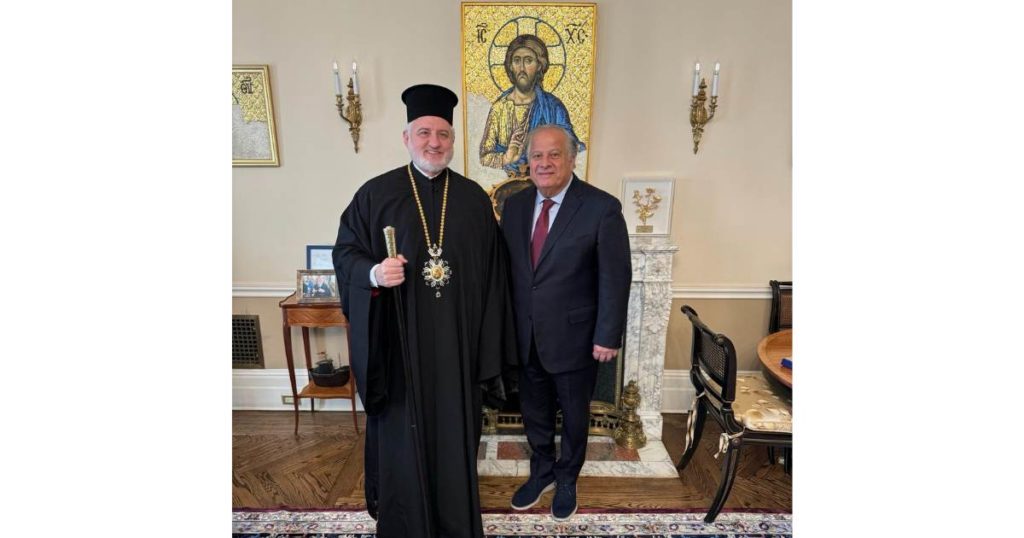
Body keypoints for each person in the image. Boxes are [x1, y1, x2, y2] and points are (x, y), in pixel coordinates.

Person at [333, 84, 516, 538]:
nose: (435, 143)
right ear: (407, 137)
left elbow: (496, 281)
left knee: (455, 442)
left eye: (444, 135)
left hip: (457, 353)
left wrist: (486, 355)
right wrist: (375, 273)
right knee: (401, 440)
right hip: (400, 352)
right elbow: (345, 253)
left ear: (454, 140)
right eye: (425, 133)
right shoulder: (376, 195)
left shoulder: (475, 201)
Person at [500, 124, 631, 521]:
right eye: (537, 155)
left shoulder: (601, 208)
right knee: (534, 411)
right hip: (526, 336)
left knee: (574, 415)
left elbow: (615, 276)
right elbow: (511, 272)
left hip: (577, 338)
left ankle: (568, 477)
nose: (544, 163)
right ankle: (541, 470)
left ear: (573, 158)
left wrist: (607, 335)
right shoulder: (516, 206)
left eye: (554, 155)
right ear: (528, 162)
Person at [479, 34, 585, 178]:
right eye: (516, 61)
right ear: (510, 65)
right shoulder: (499, 109)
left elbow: (572, 149)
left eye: (528, 61)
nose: (521, 68)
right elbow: (484, 157)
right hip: (507, 188)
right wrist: (507, 158)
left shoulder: (553, 107)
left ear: (539, 65)